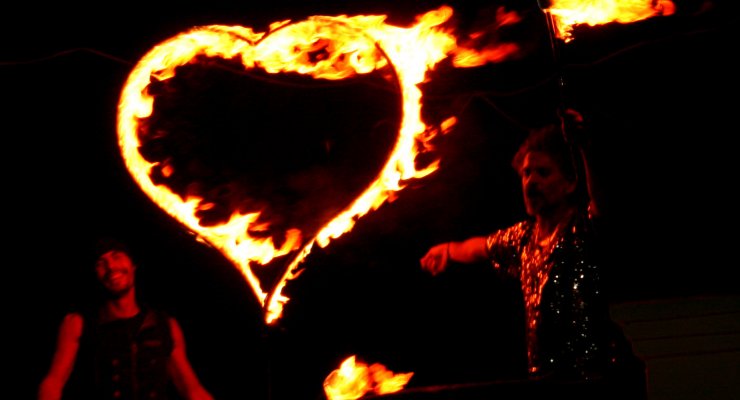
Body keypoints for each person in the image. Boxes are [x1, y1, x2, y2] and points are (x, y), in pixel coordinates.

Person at [419, 110, 646, 398]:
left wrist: (584, 148)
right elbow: (480, 248)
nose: (531, 182)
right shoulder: (523, 238)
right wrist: (449, 251)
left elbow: (601, 203)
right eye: (526, 173)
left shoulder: (581, 230)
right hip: (546, 381)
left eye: (543, 173)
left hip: (598, 379)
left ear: (569, 183)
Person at [38, 237, 215, 400]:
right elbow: (53, 382)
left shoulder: (166, 325)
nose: (111, 267)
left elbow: (191, 389)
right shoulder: (77, 323)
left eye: (117, 256)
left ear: (133, 265)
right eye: (101, 263)